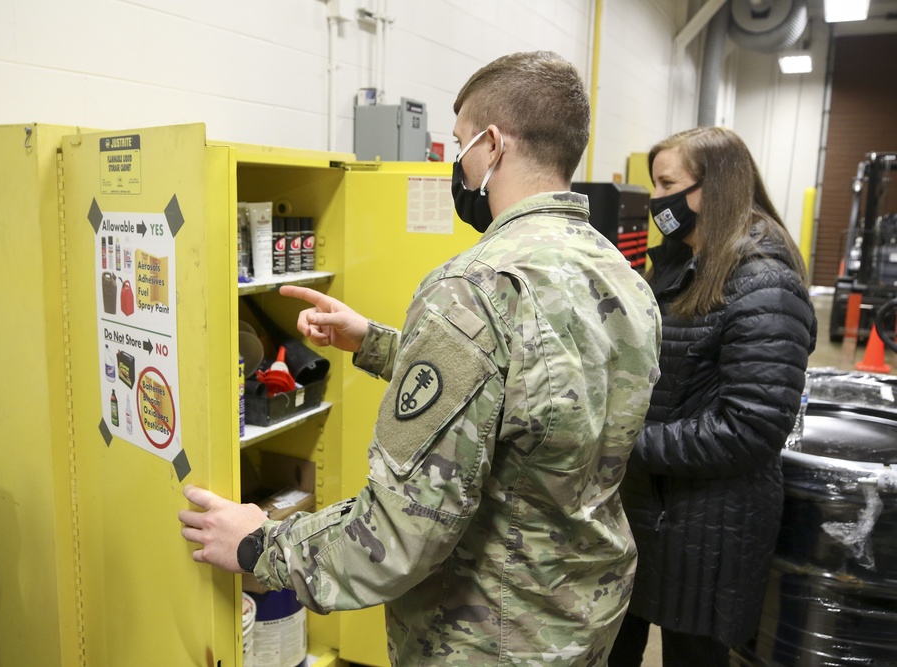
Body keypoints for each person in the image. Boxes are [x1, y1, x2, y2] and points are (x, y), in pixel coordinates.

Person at [179, 50, 662, 665]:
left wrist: (258, 546)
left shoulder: (474, 288)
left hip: (487, 636)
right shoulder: (620, 275)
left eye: (459, 144)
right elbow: (539, 395)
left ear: (491, 145)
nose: (455, 164)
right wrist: (376, 342)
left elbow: (398, 537)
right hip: (582, 616)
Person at [606, 127, 817, 667]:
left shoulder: (763, 282)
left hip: (711, 525)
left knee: (692, 654)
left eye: (667, 184)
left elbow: (750, 429)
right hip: (648, 508)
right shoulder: (675, 265)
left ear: (714, 188)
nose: (657, 200)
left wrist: (625, 444)